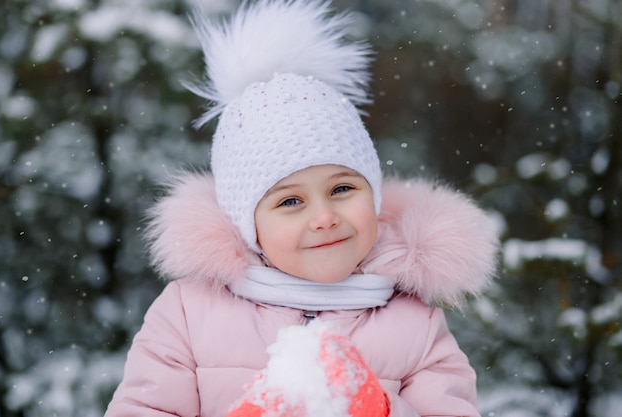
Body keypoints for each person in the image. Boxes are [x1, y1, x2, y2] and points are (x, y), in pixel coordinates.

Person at [104, 0, 499, 416]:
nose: (325, 217)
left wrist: (381, 409)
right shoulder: (189, 312)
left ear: (375, 194)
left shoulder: (415, 325)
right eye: (290, 201)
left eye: (343, 188)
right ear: (247, 221)